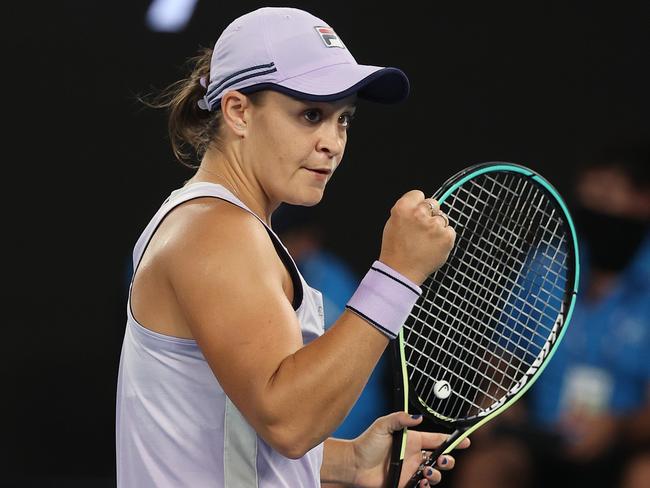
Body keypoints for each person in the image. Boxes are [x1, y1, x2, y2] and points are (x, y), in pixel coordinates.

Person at [115, 7, 467, 487]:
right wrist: (398, 274)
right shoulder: (215, 232)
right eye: (310, 114)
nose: (332, 143)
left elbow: (225, 429)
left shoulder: (213, 223)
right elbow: (289, 422)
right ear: (238, 111)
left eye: (343, 120)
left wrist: (350, 463)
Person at [450, 139, 650, 488]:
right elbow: (503, 358)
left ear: (642, 202)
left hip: (622, 445)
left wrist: (617, 427)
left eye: (608, 199)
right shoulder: (548, 267)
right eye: (590, 200)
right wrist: (497, 406)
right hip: (540, 440)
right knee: (487, 467)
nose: (597, 212)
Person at [272, 204, 392, 441]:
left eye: (294, 238)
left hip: (346, 423)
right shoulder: (263, 274)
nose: (289, 248)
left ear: (311, 239)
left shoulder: (334, 284)